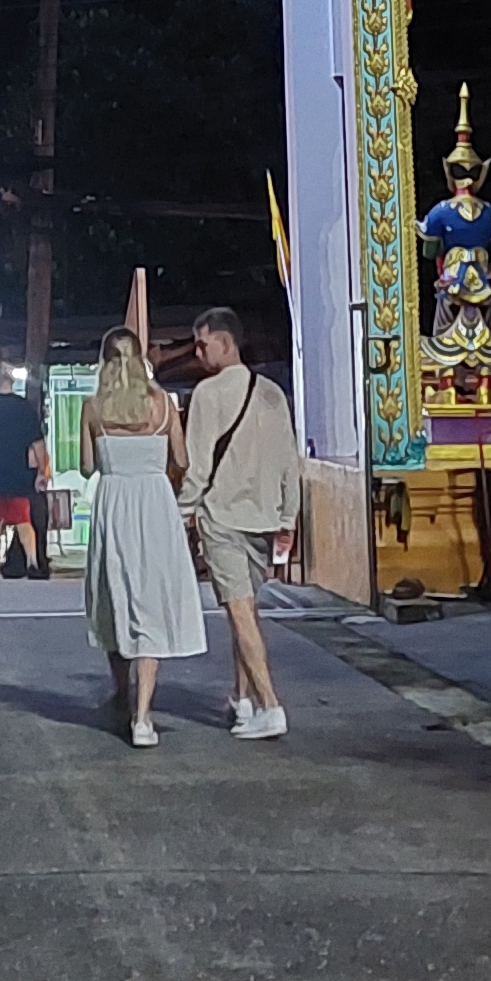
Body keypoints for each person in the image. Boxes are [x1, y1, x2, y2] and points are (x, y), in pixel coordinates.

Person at [78, 326, 205, 743]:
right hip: (154, 505)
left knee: (115, 594)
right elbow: (182, 459)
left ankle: (122, 691)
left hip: (114, 502)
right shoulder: (164, 405)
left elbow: (85, 467)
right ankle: (144, 717)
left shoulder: (93, 407)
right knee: (149, 599)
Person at [180, 307, 298, 740]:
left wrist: (184, 510)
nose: (198, 351)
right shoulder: (272, 393)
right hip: (264, 518)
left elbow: (198, 464)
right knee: (244, 609)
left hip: (223, 516)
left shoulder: (208, 395)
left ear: (225, 342)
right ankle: (242, 699)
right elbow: (290, 461)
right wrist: (289, 515)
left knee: (239, 610)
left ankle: (269, 704)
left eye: (203, 342)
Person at [0, 369, 51, 575]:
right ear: (13, 382)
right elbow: (38, 444)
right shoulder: (25, 408)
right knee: (23, 520)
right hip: (20, 472)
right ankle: (32, 562)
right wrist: (42, 471)